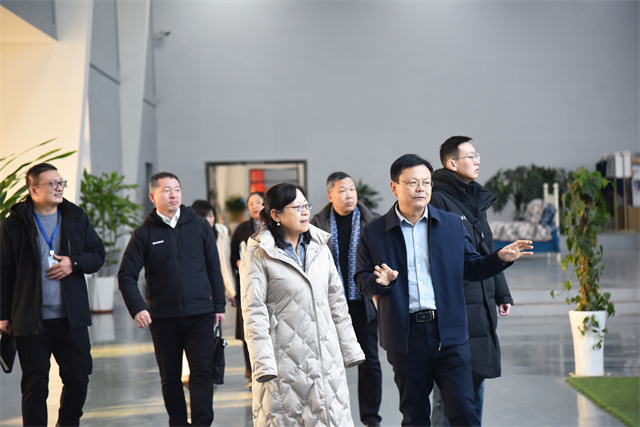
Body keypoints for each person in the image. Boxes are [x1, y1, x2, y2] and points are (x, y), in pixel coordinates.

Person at [354, 154, 532, 426]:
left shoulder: (450, 224)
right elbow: (361, 279)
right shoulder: (375, 232)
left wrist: (499, 258)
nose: (421, 188)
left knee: (464, 412)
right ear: (394, 187)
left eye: (426, 182)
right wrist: (382, 282)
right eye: (412, 182)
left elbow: (471, 268)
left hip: (449, 333)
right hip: (405, 337)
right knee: (414, 416)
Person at [240, 183, 365, 426]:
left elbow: (336, 302)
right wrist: (263, 364)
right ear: (276, 215)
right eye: (297, 207)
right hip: (285, 363)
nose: (305, 211)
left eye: (306, 205)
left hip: (326, 360)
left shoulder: (319, 246)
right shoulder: (259, 254)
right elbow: (254, 312)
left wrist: (350, 348)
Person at [0, 162, 105, 426]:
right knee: (35, 385)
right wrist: (3, 314)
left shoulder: (75, 217)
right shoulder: (13, 226)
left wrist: (74, 263)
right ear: (33, 189)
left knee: (78, 378)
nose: (59, 188)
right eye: (53, 184)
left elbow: (97, 254)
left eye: (61, 183)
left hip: (71, 318)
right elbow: (3, 272)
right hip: (30, 320)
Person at [118, 172, 225, 426]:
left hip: (200, 314)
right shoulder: (144, 233)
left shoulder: (199, 226)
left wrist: (218, 305)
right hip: (163, 317)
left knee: (202, 373)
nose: (173, 194)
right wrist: (138, 308)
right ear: (152, 196)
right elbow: (126, 275)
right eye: (166, 190)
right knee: (170, 377)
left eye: (176, 189)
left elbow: (214, 267)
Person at [429, 136, 513, 426]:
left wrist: (502, 292)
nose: (477, 161)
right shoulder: (438, 199)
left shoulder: (475, 197)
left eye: (477, 155)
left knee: (477, 378)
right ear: (451, 163)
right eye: (471, 156)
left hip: (482, 301)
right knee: (449, 389)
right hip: (457, 301)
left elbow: (487, 248)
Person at [310, 172, 382, 427]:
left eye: (351, 189)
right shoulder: (315, 225)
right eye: (342, 190)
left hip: (363, 302)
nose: (349, 195)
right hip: (330, 305)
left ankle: (371, 418)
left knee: (369, 360)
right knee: (327, 362)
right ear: (330, 196)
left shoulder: (372, 222)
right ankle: (331, 415)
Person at [180, 199, 236, 388]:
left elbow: (224, 265)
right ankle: (189, 372)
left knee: (211, 336)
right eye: (204, 217)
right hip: (198, 291)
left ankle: (208, 370)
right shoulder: (189, 233)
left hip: (216, 287)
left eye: (211, 216)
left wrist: (230, 292)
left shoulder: (221, 233)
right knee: (193, 336)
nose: (209, 220)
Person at [229, 191, 264, 388]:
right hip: (246, 285)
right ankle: (250, 372)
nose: (255, 206)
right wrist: (238, 263)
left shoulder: (274, 226)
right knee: (247, 330)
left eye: (259, 202)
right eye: (251, 203)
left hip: (267, 285)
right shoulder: (241, 229)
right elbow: (232, 255)